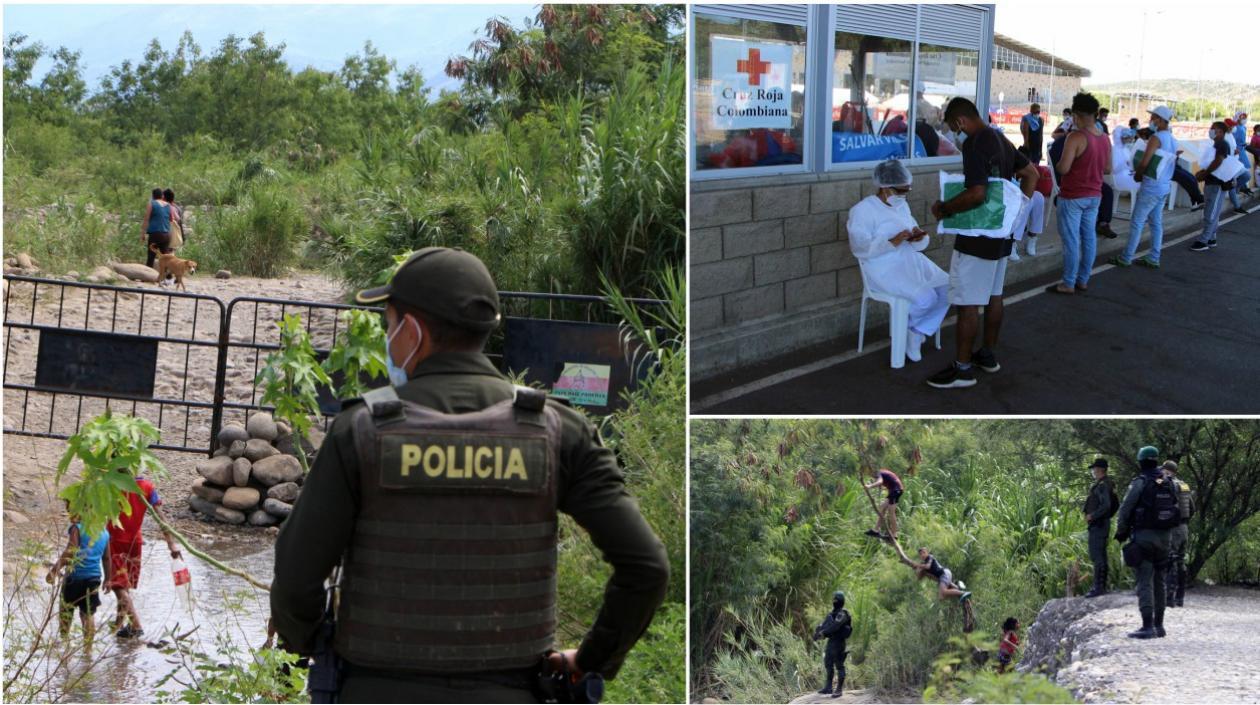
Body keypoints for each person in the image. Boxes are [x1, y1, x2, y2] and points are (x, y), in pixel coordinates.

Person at [270, 247, 670, 703]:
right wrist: (593, 660)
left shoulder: (360, 430)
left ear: (413, 331)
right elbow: (646, 566)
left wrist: (314, 646)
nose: (389, 338)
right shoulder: (559, 430)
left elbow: (295, 577)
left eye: (389, 324)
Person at [927, 97, 1039, 389]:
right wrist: (1015, 216)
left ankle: (962, 369)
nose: (955, 132)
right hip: (1000, 234)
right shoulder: (1000, 139)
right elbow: (1032, 174)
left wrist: (946, 207)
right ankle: (986, 355)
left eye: (954, 127)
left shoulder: (974, 144)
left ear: (960, 121)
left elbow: (976, 193)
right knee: (994, 296)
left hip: (977, 236)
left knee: (967, 304)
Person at [847, 160, 949, 363]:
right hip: (882, 268)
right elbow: (860, 248)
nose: (904, 195)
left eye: (907, 191)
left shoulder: (902, 206)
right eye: (901, 190)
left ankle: (915, 330)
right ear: (884, 187)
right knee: (926, 298)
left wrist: (919, 238)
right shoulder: (862, 211)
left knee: (950, 287)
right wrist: (892, 242)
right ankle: (911, 331)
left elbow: (915, 235)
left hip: (910, 260)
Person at [1114, 445, 1181, 639]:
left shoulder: (1140, 482)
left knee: (1144, 580)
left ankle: (1147, 626)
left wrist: (1121, 532)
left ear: (1141, 461)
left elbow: (1125, 510)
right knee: (1160, 580)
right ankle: (1159, 626)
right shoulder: (1169, 482)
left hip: (1144, 538)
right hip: (1165, 538)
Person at [107, 473, 181, 639]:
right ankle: (119, 624)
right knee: (124, 585)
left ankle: (135, 625)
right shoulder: (148, 487)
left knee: (118, 586)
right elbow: (161, 517)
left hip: (115, 540)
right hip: (135, 542)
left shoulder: (112, 483)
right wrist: (171, 543)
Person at [1051, 92, 1111, 294]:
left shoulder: (1075, 137)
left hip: (1073, 196)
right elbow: (1108, 168)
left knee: (1071, 241)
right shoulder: (1104, 139)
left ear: (1076, 114)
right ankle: (1083, 279)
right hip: (1095, 195)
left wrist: (1057, 163)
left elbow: (1064, 168)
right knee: (1089, 238)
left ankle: (1068, 283)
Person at [1112, 106, 1177, 270]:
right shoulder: (1172, 138)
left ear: (1161, 120)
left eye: (1154, 117)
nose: (1151, 120)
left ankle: (1126, 257)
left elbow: (1145, 161)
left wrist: (1138, 174)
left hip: (1152, 186)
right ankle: (1154, 257)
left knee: (1137, 222)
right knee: (1156, 222)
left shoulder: (1156, 138)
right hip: (1164, 186)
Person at [47, 506, 111, 646]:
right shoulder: (104, 532)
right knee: (88, 613)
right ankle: (88, 650)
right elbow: (106, 558)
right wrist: (108, 579)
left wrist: (54, 570)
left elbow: (71, 550)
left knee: (66, 609)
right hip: (94, 578)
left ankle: (64, 643)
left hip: (74, 578)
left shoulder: (77, 528)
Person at [1190, 121, 1239, 252]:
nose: (1211, 131)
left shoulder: (1222, 144)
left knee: (1210, 213)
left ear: (1221, 132)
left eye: (1214, 129)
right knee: (1212, 212)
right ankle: (1211, 237)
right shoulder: (1217, 144)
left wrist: (1205, 173)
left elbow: (1218, 161)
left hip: (1216, 183)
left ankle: (1203, 240)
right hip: (1212, 182)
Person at [1162, 460, 1194, 608]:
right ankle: (1180, 597)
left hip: (1173, 528)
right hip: (1184, 528)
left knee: (1171, 560)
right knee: (1181, 561)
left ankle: (1169, 598)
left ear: (1166, 471)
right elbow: (1192, 508)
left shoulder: (1167, 484)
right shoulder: (1184, 485)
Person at [1083, 458, 1116, 598]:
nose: (1093, 471)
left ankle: (1098, 587)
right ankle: (1102, 586)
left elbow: (1107, 505)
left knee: (1097, 555)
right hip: (1102, 524)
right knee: (1100, 555)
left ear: (1100, 469)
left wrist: (1093, 516)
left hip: (1099, 524)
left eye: (1095, 469)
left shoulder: (1103, 485)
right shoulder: (1107, 484)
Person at [812, 591, 852, 698]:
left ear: (841, 601)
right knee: (828, 663)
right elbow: (824, 625)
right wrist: (817, 633)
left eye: (836, 600)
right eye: (834, 599)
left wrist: (823, 632)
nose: (835, 601)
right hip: (831, 642)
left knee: (839, 665)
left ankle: (839, 689)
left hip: (839, 642)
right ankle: (828, 687)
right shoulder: (831, 614)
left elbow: (836, 626)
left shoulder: (843, 613)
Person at [862, 467, 904, 539]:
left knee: (891, 512)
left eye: (870, 474)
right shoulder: (882, 473)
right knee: (882, 507)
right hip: (894, 491)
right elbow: (888, 481)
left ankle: (894, 534)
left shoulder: (879, 473)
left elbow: (880, 482)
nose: (871, 476)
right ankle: (876, 530)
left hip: (896, 490)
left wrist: (870, 486)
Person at [141, 188, 174, 269]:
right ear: (162, 195)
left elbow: (146, 219)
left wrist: (143, 233)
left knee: (151, 256)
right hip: (166, 235)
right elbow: (171, 219)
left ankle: (148, 276)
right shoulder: (168, 205)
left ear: (153, 196)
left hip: (155, 234)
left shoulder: (151, 204)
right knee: (166, 258)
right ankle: (168, 279)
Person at [1231, 112, 1254, 197]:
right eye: (1242, 118)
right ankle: (1238, 188)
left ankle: (1242, 187)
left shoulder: (1243, 127)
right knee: (1242, 169)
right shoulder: (1235, 128)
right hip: (1238, 151)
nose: (1244, 119)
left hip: (1242, 150)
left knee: (1245, 169)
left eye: (1245, 118)